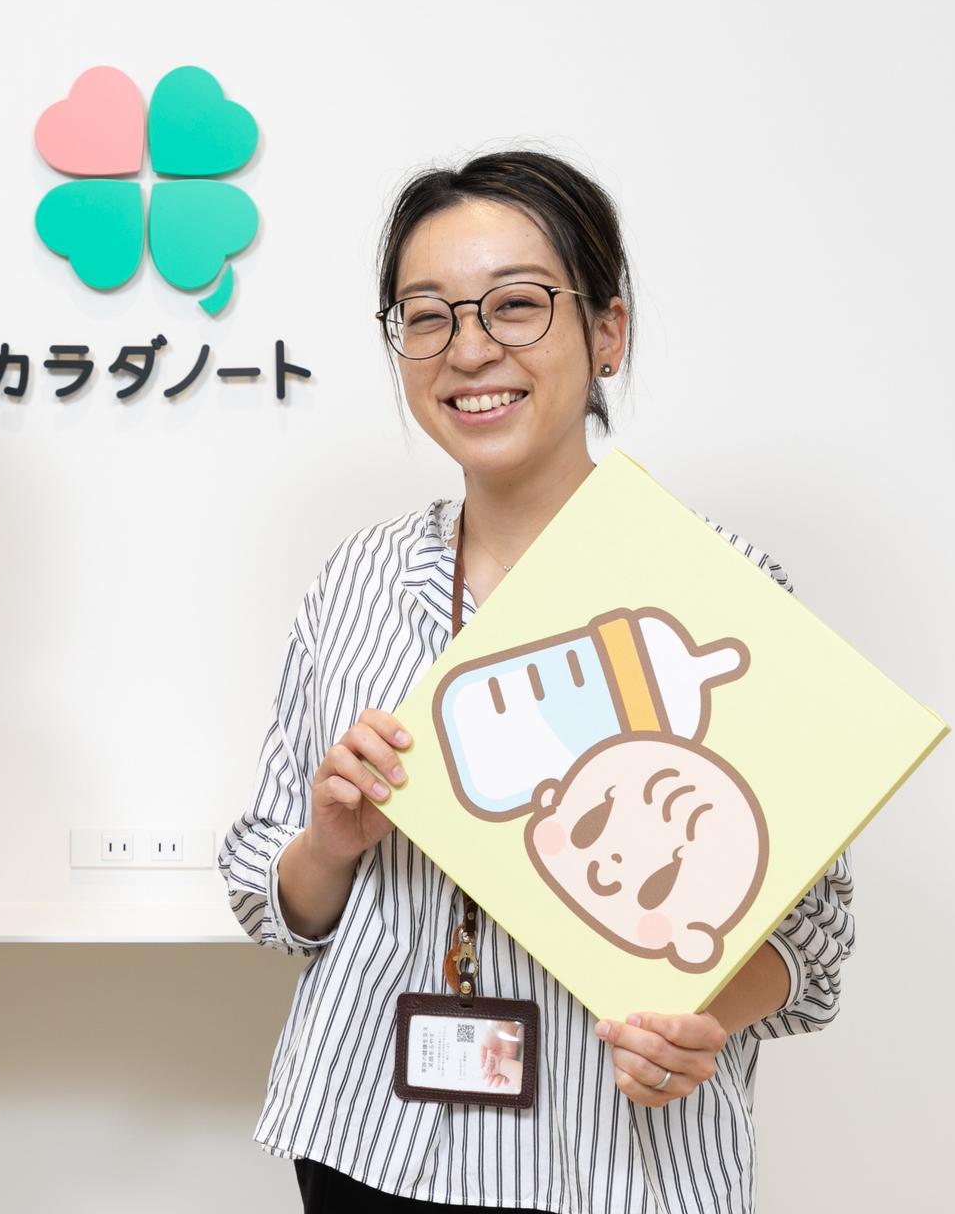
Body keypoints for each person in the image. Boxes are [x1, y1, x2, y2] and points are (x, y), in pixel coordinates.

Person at [219, 151, 853, 1212]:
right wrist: (328, 841)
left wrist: (703, 1016)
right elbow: (268, 896)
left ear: (608, 332)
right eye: (427, 316)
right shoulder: (357, 579)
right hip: (368, 1137)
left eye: (515, 304)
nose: (469, 349)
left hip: (621, 1157)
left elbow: (815, 930)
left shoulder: (722, 589)